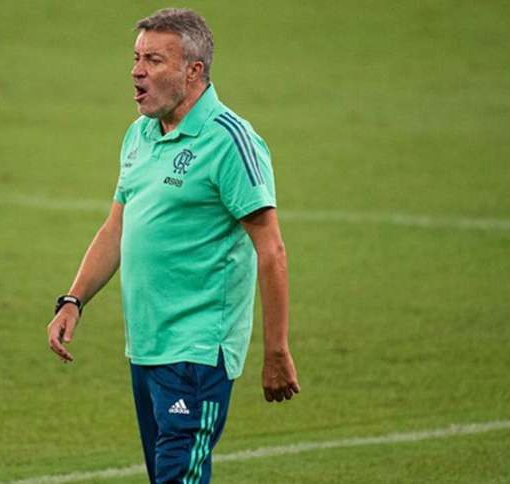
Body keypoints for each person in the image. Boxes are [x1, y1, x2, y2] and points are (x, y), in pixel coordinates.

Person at [46, 8, 300, 483]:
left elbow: (272, 250)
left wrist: (276, 350)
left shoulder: (230, 141)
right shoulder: (139, 134)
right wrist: (73, 300)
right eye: (136, 58)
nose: (137, 71)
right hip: (145, 348)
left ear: (193, 71)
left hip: (197, 353)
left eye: (154, 60)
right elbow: (117, 227)